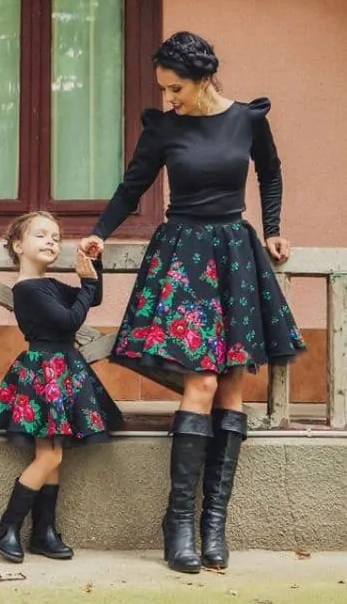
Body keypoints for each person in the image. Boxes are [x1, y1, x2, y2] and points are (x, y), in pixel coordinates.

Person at [80, 31, 306, 574]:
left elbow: (270, 172)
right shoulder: (163, 128)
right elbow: (131, 187)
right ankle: (178, 521)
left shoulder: (248, 119)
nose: (169, 98)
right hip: (184, 253)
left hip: (234, 249)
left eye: (176, 88)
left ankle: (213, 524)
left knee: (231, 381)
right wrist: (99, 234)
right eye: (164, 88)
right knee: (202, 380)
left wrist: (273, 229)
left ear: (203, 79)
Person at [0, 210, 123, 564]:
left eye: (56, 238)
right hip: (43, 374)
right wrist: (87, 283)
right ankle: (8, 524)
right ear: (18, 245)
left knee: (53, 450)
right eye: (41, 235)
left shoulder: (49, 285)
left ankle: (44, 531)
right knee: (50, 455)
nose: (51, 242)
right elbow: (70, 319)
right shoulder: (28, 289)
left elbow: (91, 299)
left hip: (61, 374)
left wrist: (93, 264)